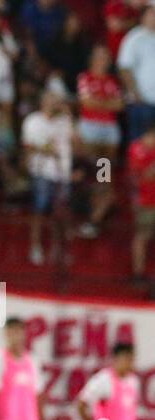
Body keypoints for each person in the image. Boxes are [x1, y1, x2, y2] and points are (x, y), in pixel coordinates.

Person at [21, 89, 75, 266]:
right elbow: (28, 147)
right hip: (42, 171)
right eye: (51, 100)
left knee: (60, 212)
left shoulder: (65, 121)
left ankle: (58, 248)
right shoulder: (32, 121)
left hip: (63, 172)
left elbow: (77, 143)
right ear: (43, 102)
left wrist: (70, 117)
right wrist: (46, 149)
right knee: (39, 209)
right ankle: (35, 246)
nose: (55, 104)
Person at [75, 45, 122, 240]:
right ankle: (92, 217)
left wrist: (99, 103)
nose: (104, 61)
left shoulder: (112, 81)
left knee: (104, 171)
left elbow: (119, 105)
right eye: (100, 57)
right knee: (92, 170)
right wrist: (106, 103)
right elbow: (87, 103)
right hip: (91, 127)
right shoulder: (85, 77)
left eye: (106, 58)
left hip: (108, 130)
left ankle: (95, 219)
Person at [118, 4, 155, 139]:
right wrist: (136, 95)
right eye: (151, 14)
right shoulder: (134, 38)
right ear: (143, 17)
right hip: (141, 103)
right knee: (138, 143)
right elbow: (125, 68)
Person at [127, 122, 155, 285]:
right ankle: (137, 274)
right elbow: (143, 176)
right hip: (145, 201)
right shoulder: (136, 149)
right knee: (142, 236)